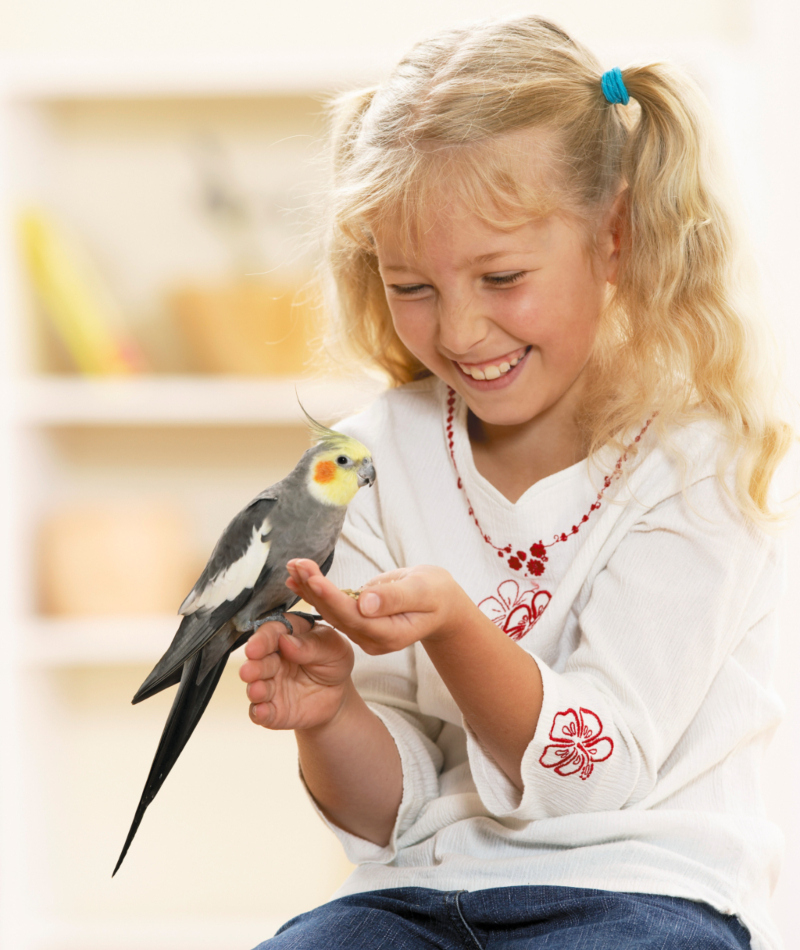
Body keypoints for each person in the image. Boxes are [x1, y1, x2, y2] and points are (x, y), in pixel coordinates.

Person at [239, 15, 793, 950]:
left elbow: (593, 773)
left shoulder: (697, 464)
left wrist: (459, 628)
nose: (458, 332)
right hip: (415, 893)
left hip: (643, 892)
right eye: (412, 286)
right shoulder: (365, 458)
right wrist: (329, 717)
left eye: (501, 277)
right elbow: (391, 817)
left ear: (612, 237)